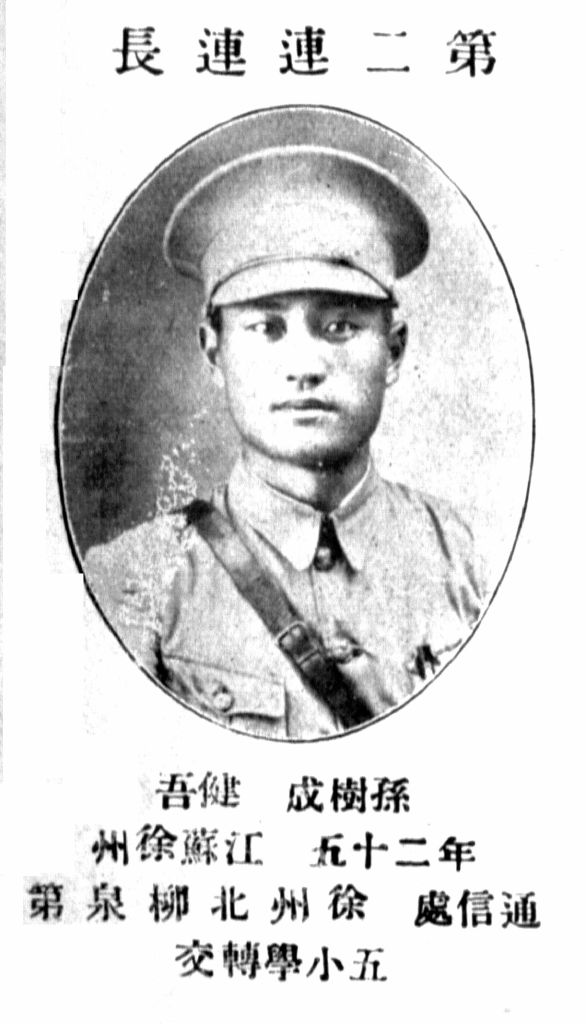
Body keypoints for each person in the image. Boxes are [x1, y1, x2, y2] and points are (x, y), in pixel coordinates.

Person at [84, 142, 486, 740]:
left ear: (394, 350)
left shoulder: (463, 557)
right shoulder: (134, 583)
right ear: (214, 352)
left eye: (340, 325)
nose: (304, 366)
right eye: (266, 327)